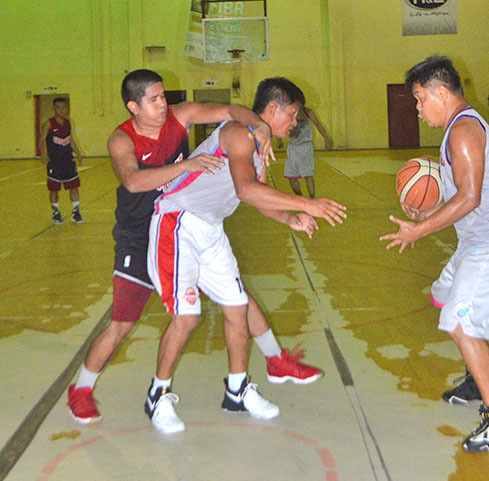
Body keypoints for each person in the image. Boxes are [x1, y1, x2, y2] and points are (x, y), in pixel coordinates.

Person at [67, 70, 322, 425]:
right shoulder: (121, 139)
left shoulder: (182, 116)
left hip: (195, 221)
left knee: (238, 300)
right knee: (123, 323)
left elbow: (233, 111)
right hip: (144, 231)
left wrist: (259, 127)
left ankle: (264, 368)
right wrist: (189, 165)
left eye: (163, 96)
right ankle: (82, 389)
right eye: (154, 99)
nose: (163, 104)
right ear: (133, 107)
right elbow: (134, 181)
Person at [144, 77, 347, 433]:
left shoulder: (260, 147)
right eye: (293, 114)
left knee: (238, 308)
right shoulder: (238, 133)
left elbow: (258, 196)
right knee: (187, 317)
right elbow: (246, 189)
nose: (295, 122)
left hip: (210, 229)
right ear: (273, 109)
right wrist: (306, 203)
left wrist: (290, 217)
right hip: (177, 223)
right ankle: (157, 396)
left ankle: (236, 391)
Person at [380, 56, 489, 453]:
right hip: (477, 239)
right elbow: (463, 195)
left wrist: (420, 229)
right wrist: (425, 214)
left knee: (461, 322)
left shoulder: (462, 131)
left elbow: (469, 197)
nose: (417, 108)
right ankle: (475, 377)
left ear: (441, 92)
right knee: (443, 296)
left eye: (419, 98)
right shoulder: (458, 128)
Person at [39, 97, 84, 224]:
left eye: (64, 107)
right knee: (54, 189)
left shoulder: (68, 123)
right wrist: (43, 153)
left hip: (68, 160)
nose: (61, 110)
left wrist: (78, 153)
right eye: (58, 107)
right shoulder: (49, 123)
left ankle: (76, 212)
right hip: (54, 161)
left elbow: (70, 139)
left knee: (74, 186)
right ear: (54, 109)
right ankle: (56, 213)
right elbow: (42, 139)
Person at [278, 105, 332, 198]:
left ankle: (312, 198)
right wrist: (279, 140)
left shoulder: (308, 112)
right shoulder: (287, 112)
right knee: (291, 177)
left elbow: (318, 124)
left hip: (306, 147)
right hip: (293, 147)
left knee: (308, 175)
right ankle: (300, 197)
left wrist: (326, 138)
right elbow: (280, 125)